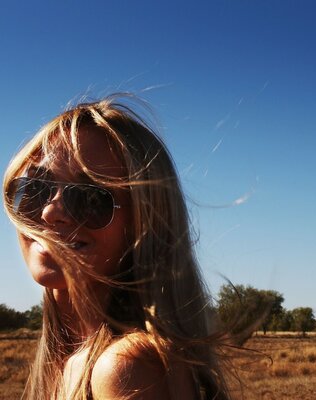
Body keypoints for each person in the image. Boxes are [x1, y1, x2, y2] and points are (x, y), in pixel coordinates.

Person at [3, 94, 231, 399]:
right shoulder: (70, 359)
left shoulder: (125, 369)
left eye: (90, 198)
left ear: (143, 225)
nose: (50, 212)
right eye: (35, 189)